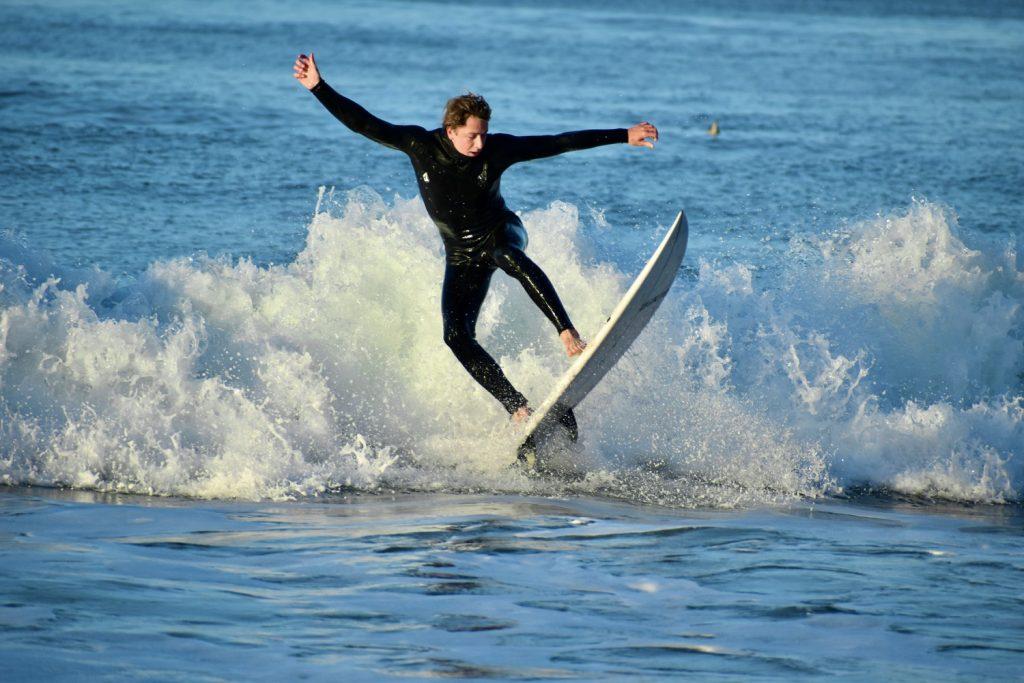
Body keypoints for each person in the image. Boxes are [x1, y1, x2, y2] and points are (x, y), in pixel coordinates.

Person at [293, 52, 658, 428]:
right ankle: (518, 407)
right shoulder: (420, 146)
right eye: (472, 135)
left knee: (506, 255)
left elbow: (556, 141)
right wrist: (318, 87)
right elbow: (363, 123)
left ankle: (568, 334)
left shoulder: (495, 150)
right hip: (461, 255)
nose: (480, 143)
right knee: (455, 335)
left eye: (484, 133)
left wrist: (623, 136)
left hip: (501, 229)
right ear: (450, 130)